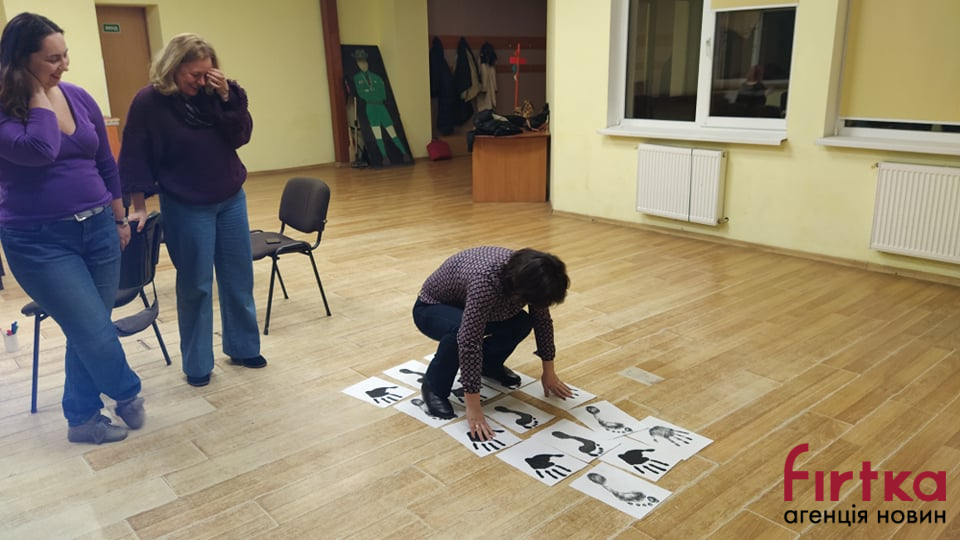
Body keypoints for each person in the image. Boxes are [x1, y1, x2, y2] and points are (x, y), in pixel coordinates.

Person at [0, 12, 144, 444]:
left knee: (89, 326)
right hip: (39, 241)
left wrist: (118, 218)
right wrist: (36, 94)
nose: (64, 65)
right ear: (20, 60)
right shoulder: (5, 109)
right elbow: (40, 149)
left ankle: (82, 419)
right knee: (93, 329)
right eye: (52, 59)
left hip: (99, 228)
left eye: (65, 55)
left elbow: (105, 163)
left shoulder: (78, 96)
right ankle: (126, 390)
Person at [119, 33, 265, 387]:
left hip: (230, 197)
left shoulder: (215, 94)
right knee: (196, 285)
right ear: (173, 68)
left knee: (238, 277)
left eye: (206, 74)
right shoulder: (149, 102)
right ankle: (198, 364)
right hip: (185, 203)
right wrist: (138, 206)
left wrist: (226, 96)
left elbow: (240, 136)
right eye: (194, 75)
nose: (201, 82)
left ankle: (243, 347)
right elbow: (135, 154)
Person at [413, 246, 574, 441]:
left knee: (522, 322)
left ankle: (489, 365)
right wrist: (473, 407)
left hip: (475, 307)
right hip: (432, 308)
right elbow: (469, 342)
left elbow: (542, 322)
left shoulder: (530, 275)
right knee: (459, 331)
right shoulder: (486, 281)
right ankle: (434, 387)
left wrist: (549, 372)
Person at [352, 48, 410, 164]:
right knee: (377, 135)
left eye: (364, 61)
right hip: (371, 108)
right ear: (357, 64)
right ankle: (384, 157)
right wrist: (372, 94)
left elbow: (383, 94)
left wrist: (370, 93)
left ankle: (405, 154)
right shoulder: (357, 78)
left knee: (392, 132)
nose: (363, 64)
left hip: (381, 107)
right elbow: (361, 94)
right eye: (360, 62)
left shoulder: (377, 77)